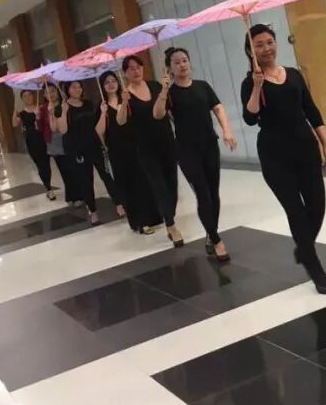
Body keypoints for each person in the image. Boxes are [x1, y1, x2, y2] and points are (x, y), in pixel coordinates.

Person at [241, 24, 326, 294]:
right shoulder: (250, 82)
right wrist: (257, 87)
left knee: (317, 206)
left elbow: (311, 110)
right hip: (274, 155)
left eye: (269, 42)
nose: (266, 48)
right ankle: (316, 270)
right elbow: (250, 118)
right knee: (295, 210)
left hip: (305, 148)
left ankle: (303, 248)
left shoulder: (293, 74)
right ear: (250, 51)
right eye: (259, 45)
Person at [156, 48, 237, 261]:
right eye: (176, 62)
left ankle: (211, 233)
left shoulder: (202, 86)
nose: (182, 65)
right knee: (202, 193)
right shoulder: (170, 93)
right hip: (186, 150)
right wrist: (163, 90)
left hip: (209, 145)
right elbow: (158, 114)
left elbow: (218, 108)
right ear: (170, 68)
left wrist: (227, 130)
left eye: (184, 60)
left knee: (213, 193)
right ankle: (216, 239)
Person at [116, 55, 183, 246]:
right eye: (131, 68)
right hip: (145, 148)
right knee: (159, 185)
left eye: (138, 67)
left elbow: (168, 110)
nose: (136, 71)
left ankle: (169, 216)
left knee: (172, 185)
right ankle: (171, 226)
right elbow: (120, 121)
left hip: (166, 142)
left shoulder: (155, 86)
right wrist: (123, 102)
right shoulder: (126, 94)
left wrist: (166, 88)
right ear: (125, 73)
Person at [54, 80, 108, 225]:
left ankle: (120, 204)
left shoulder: (89, 104)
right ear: (67, 89)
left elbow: (97, 126)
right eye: (73, 87)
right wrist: (64, 112)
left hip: (94, 145)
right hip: (77, 149)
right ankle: (93, 211)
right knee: (86, 181)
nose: (77, 89)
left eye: (79, 87)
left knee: (106, 175)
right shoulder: (61, 107)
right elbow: (63, 130)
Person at [95, 71, 140, 228]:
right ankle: (135, 220)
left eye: (113, 80)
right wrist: (103, 113)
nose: (111, 84)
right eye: (107, 82)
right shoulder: (102, 106)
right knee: (125, 184)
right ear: (102, 86)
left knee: (140, 180)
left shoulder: (126, 98)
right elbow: (99, 131)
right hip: (116, 149)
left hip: (134, 145)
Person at [13, 89, 56, 200]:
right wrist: (15, 110)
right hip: (32, 141)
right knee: (41, 165)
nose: (28, 98)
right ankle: (48, 188)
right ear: (22, 99)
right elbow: (14, 123)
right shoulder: (22, 113)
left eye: (29, 95)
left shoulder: (41, 108)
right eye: (25, 96)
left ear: (33, 96)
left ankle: (50, 187)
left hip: (45, 138)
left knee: (47, 164)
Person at [40, 82, 69, 195]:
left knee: (73, 169)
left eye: (52, 91)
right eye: (47, 92)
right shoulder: (43, 109)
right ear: (44, 95)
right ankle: (71, 196)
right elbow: (40, 128)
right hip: (54, 143)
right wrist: (38, 117)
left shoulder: (65, 104)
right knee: (64, 170)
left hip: (68, 139)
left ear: (57, 91)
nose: (50, 94)